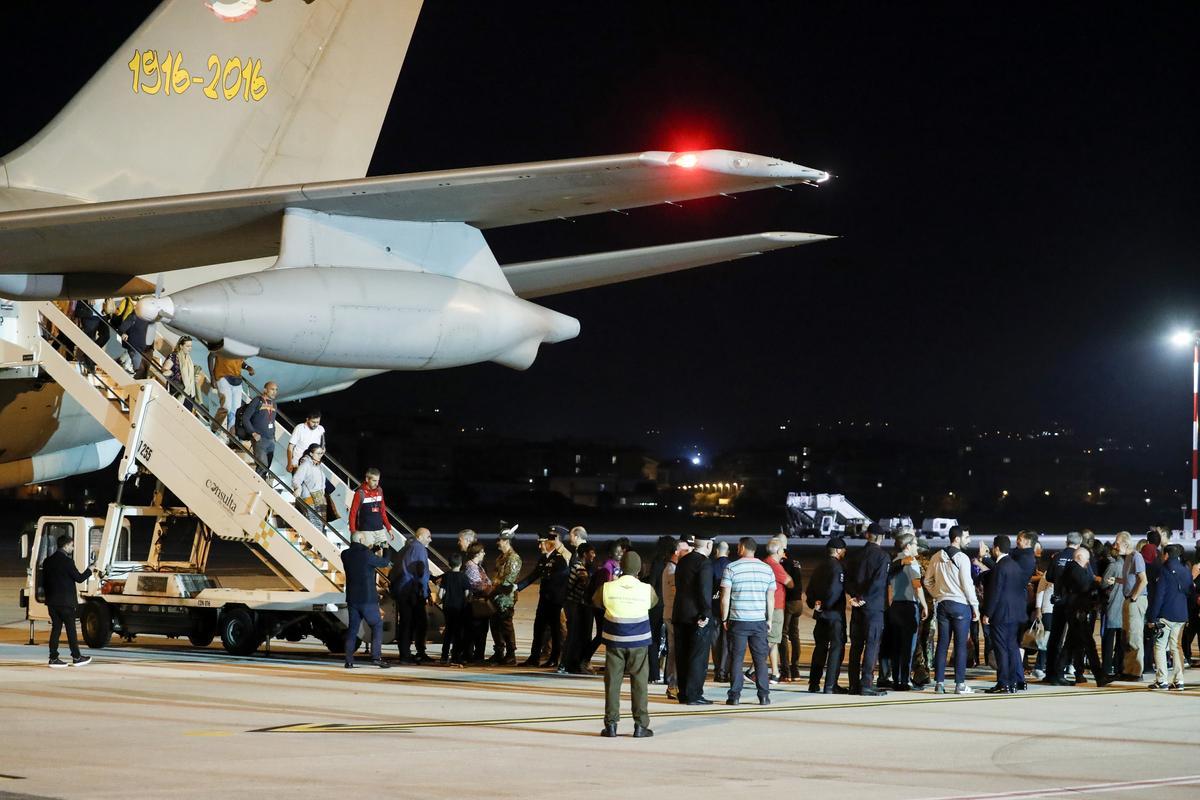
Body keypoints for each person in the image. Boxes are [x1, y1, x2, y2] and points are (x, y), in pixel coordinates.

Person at [595, 550, 655, 738]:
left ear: (621, 566)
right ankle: (640, 725)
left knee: (612, 682)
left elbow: (596, 601)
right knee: (639, 682)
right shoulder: (646, 589)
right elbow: (653, 603)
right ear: (639, 569)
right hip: (639, 641)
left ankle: (611, 724)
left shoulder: (607, 587)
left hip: (615, 640)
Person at [720, 537, 776, 705]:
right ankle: (764, 695)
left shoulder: (731, 568)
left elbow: (725, 597)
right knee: (760, 660)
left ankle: (734, 696)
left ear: (742, 548)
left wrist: (724, 617)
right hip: (759, 620)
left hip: (738, 620)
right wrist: (770, 619)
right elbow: (770, 598)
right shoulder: (767, 569)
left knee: (736, 659)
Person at [924, 525, 980, 694]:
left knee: (942, 643)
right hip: (960, 605)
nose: (968, 540)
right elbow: (967, 584)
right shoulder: (962, 558)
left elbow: (927, 581)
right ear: (957, 538)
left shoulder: (936, 557)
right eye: (966, 537)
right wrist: (975, 606)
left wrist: (938, 594)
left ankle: (939, 683)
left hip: (942, 604)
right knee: (960, 645)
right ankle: (959, 684)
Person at [1055, 547, 1109, 687]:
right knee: (1089, 644)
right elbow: (1086, 586)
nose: (1088, 562)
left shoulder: (1075, 569)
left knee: (1071, 643)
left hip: (1077, 610)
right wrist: (1099, 584)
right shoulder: (1075, 570)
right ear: (1079, 557)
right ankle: (1100, 676)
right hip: (1077, 611)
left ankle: (1058, 672)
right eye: (1086, 559)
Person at [517, 527, 570, 667]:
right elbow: (534, 575)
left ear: (550, 543)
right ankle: (534, 657)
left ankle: (554, 658)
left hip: (555, 601)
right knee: (538, 628)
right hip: (544, 600)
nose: (539, 546)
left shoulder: (560, 560)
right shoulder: (543, 558)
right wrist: (517, 587)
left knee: (555, 630)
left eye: (542, 543)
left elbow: (560, 583)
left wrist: (558, 600)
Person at [848, 523, 890, 696]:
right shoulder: (883, 557)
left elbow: (848, 579)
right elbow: (879, 582)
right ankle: (866, 683)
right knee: (872, 645)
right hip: (872, 607)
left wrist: (855, 596)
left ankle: (853, 684)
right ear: (881, 537)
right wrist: (864, 598)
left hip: (857, 607)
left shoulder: (855, 555)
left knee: (856, 646)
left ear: (867, 535)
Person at [1146, 544, 1195, 690]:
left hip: (1166, 614)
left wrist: (1152, 617)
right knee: (1176, 646)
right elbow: (1190, 592)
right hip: (1181, 615)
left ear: (1166, 555)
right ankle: (1179, 680)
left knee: (1160, 646)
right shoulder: (1185, 570)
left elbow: (1159, 596)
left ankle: (1162, 680)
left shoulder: (1164, 570)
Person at [673, 536, 715, 705]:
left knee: (682, 655)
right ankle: (694, 694)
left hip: (680, 613)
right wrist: (705, 614)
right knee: (698, 656)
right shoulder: (704, 563)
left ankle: (683, 692)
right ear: (709, 544)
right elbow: (704, 591)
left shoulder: (683, 560)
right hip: (696, 616)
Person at [340, 532, 391, 669]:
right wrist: (385, 548)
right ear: (362, 539)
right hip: (367, 600)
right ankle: (376, 657)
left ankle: (349, 660)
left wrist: (372, 549)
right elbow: (384, 562)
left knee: (353, 629)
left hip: (352, 599)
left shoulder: (345, 554)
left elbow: (361, 558)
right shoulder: (367, 555)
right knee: (377, 625)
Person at [981, 535, 1025, 693]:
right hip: (1015, 614)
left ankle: (1003, 682)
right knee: (1012, 647)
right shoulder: (1015, 566)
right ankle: (1014, 681)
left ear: (996, 548)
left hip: (1001, 615)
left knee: (1001, 649)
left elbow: (995, 593)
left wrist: (987, 613)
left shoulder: (1000, 567)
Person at [43, 534, 93, 668]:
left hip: (52, 603)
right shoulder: (68, 562)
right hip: (66, 603)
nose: (72, 548)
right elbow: (79, 578)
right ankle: (76, 657)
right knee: (71, 630)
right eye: (71, 545)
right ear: (65, 545)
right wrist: (90, 570)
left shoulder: (48, 561)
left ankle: (53, 658)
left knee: (56, 630)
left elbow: (44, 583)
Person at [885, 532, 926, 690]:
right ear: (908, 546)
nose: (917, 547)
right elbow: (917, 586)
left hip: (895, 606)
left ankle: (896, 679)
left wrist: (890, 603)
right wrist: (924, 604)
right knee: (908, 646)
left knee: (896, 645)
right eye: (915, 544)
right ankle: (905, 680)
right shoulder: (911, 562)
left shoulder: (895, 560)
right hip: (909, 606)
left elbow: (889, 587)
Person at [808, 536, 848, 693]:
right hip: (833, 615)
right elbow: (834, 591)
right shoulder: (837, 568)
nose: (845, 553)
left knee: (820, 648)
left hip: (820, 616)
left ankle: (814, 682)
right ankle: (830, 684)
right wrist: (827, 606)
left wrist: (816, 605)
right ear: (838, 551)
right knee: (836, 648)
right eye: (844, 550)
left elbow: (809, 591)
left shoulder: (819, 567)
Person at [1043, 531, 1083, 683]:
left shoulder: (1057, 557)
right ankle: (1061, 672)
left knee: (1054, 638)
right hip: (1073, 603)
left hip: (1058, 601)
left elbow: (1049, 577)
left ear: (1066, 542)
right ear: (1078, 544)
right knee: (1071, 638)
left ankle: (1050, 672)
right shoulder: (1079, 557)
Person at [392, 526, 432, 664]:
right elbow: (421, 572)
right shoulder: (419, 548)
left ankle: (404, 653)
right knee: (420, 623)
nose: (430, 540)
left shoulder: (407, 548)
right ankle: (418, 652)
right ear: (420, 537)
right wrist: (426, 592)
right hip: (412, 591)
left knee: (405, 622)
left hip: (402, 590)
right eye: (428, 537)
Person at [583, 538, 627, 665]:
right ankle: (584, 659)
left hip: (608, 607)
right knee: (602, 635)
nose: (619, 554)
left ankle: (607, 663)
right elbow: (604, 589)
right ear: (610, 554)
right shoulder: (607, 568)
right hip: (602, 607)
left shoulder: (617, 566)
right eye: (616, 552)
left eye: (621, 552)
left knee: (607, 636)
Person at [1115, 530, 1149, 680]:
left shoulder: (1136, 557)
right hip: (1128, 599)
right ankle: (1128, 670)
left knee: (1134, 637)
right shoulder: (1127, 558)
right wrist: (1116, 581)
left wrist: (1134, 597)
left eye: (1117, 543)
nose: (1115, 546)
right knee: (1127, 637)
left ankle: (1136, 672)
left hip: (1135, 600)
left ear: (1125, 543)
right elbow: (1131, 580)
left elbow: (1143, 580)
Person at [560, 542, 597, 674]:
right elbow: (587, 586)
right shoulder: (580, 568)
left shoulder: (577, 566)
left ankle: (567, 663)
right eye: (591, 553)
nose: (594, 555)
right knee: (574, 635)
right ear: (584, 554)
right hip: (573, 604)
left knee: (573, 634)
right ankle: (567, 663)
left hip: (571, 603)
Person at [489, 526, 522, 665]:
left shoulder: (513, 558)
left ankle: (510, 653)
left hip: (505, 598)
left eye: (501, 540)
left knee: (506, 625)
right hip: (496, 596)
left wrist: (493, 587)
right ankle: (499, 651)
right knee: (495, 625)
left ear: (507, 541)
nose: (498, 543)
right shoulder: (501, 558)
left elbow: (509, 580)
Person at [645, 535, 677, 684]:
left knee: (653, 639)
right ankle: (668, 676)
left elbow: (651, 584)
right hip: (670, 604)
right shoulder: (673, 564)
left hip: (656, 605)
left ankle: (653, 673)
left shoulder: (657, 563)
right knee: (670, 641)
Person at [761, 537, 792, 685]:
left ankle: (775, 673)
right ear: (778, 551)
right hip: (776, 606)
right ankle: (753, 669)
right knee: (772, 640)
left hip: (767, 606)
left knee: (772, 641)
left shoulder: (765, 562)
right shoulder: (775, 565)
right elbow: (790, 583)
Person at [660, 539, 687, 698]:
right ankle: (673, 683)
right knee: (676, 650)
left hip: (669, 613)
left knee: (673, 650)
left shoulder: (671, 568)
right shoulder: (672, 570)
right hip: (672, 614)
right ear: (677, 552)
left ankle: (671, 681)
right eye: (684, 551)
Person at [777, 536, 805, 682]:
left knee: (782, 635)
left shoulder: (782, 562)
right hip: (799, 602)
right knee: (795, 635)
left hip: (787, 603)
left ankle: (785, 671)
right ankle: (796, 670)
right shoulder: (796, 562)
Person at [438, 551, 471, 667]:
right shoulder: (464, 577)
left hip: (448, 608)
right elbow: (467, 593)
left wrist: (442, 600)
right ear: (461, 563)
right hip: (459, 608)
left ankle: (444, 656)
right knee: (458, 633)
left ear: (449, 564)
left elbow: (441, 593)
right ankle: (456, 656)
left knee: (448, 631)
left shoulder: (446, 576)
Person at [208, 350, 254, 433]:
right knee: (226, 407)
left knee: (236, 411)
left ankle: (231, 436)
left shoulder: (240, 347)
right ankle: (214, 428)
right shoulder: (226, 344)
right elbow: (211, 356)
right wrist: (212, 377)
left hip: (237, 380)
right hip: (223, 376)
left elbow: (240, 361)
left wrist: (247, 367)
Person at [348, 469, 394, 550]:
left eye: (378, 480)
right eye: (374, 480)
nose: (376, 483)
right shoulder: (360, 493)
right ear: (367, 479)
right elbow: (353, 514)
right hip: (366, 532)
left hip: (380, 531)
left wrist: (388, 528)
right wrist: (353, 532)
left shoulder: (379, 491)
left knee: (385, 550)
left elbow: (383, 511)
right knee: (369, 555)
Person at [463, 542, 493, 663]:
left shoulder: (478, 565)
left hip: (479, 603)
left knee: (481, 630)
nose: (484, 553)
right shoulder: (471, 567)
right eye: (482, 552)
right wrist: (491, 587)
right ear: (476, 554)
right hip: (475, 604)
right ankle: (473, 656)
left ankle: (478, 655)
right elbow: (477, 585)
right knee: (476, 630)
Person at [242, 381, 278, 478]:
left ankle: (261, 486)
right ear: (265, 390)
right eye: (272, 389)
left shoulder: (274, 404)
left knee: (266, 468)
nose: (275, 392)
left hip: (271, 440)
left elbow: (272, 421)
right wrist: (253, 433)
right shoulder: (257, 401)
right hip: (260, 439)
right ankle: (254, 485)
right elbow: (245, 418)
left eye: (276, 390)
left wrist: (274, 435)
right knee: (262, 466)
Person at [1100, 541, 1125, 678]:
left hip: (1112, 605)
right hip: (1123, 607)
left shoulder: (1113, 566)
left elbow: (1104, 583)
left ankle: (1106, 667)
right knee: (1121, 641)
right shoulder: (1127, 566)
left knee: (1108, 639)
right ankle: (1119, 666)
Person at [709, 539, 733, 682]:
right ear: (728, 552)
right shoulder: (732, 566)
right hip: (729, 610)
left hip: (713, 609)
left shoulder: (710, 566)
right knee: (727, 642)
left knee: (715, 642)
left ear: (716, 551)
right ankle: (725, 671)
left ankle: (718, 670)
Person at [162, 336, 205, 411]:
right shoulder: (174, 356)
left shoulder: (188, 359)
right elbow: (164, 369)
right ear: (181, 346)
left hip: (189, 393)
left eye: (191, 346)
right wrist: (171, 372)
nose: (190, 348)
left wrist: (194, 377)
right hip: (178, 391)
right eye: (187, 346)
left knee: (186, 417)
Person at [291, 444, 327, 529]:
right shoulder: (306, 464)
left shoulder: (318, 465)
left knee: (320, 525)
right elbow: (296, 479)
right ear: (311, 454)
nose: (320, 455)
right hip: (309, 496)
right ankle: (315, 542)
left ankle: (316, 541)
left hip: (319, 498)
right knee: (315, 524)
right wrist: (298, 488)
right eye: (318, 453)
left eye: (321, 453)